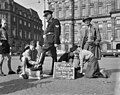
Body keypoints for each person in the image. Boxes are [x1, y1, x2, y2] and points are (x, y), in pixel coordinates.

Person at [39, 10, 61, 75]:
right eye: (45, 16)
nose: (45, 17)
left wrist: (56, 42)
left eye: (46, 16)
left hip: (51, 41)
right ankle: (54, 71)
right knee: (54, 56)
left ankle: (39, 66)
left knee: (42, 51)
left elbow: (57, 32)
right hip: (49, 40)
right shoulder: (49, 23)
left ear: (50, 15)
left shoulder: (55, 21)